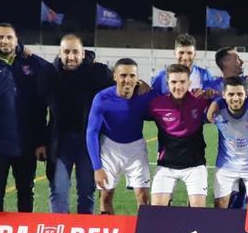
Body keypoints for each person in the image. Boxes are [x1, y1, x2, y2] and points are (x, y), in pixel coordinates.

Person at [0, 23, 53, 212]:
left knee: (26, 192)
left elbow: (50, 72)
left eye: (9, 37)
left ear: (17, 40)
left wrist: (41, 141)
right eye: (0, 37)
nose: (5, 41)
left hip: (27, 145)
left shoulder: (30, 65)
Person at [47, 34, 113, 214]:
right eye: (66, 52)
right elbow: (37, 107)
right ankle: (60, 231)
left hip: (88, 144)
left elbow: (122, 84)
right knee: (58, 190)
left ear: (83, 53)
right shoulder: (50, 74)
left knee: (86, 192)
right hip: (60, 144)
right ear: (59, 53)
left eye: (75, 52)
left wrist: (139, 85)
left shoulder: (98, 73)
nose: (71, 56)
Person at [86, 58, 158, 214]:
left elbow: (163, 105)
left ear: (138, 78)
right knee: (105, 196)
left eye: (132, 75)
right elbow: (91, 132)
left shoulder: (145, 96)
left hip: (136, 149)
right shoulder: (102, 99)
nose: (128, 80)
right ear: (115, 77)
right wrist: (97, 167)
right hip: (109, 149)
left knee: (143, 198)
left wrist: (150, 88)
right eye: (123, 75)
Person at [148, 64, 216, 207]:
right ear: (167, 84)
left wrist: (212, 94)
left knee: (198, 213)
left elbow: (226, 99)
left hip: (195, 166)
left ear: (189, 83)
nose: (178, 86)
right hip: (166, 166)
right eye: (173, 82)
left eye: (182, 82)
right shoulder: (156, 104)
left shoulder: (201, 101)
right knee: (155, 213)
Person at [210, 77, 248, 208]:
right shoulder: (217, 112)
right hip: (226, 165)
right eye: (231, 94)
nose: (235, 98)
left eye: (240, 94)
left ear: (246, 94)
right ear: (223, 94)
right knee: (220, 205)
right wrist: (216, 102)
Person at [152, 34, 221, 94]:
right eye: (181, 53)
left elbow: (213, 96)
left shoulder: (205, 75)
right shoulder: (162, 76)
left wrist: (208, 93)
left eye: (189, 53)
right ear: (175, 53)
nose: (185, 57)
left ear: (195, 54)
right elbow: (153, 98)